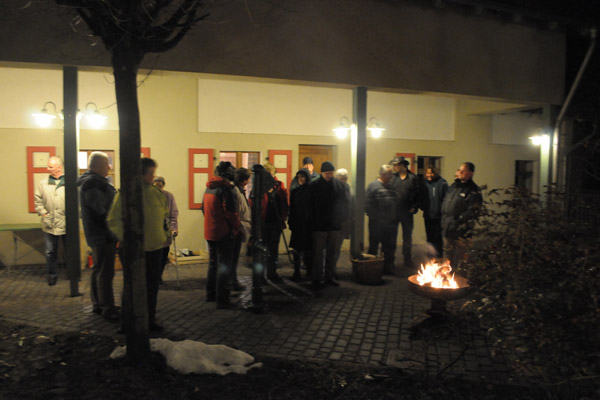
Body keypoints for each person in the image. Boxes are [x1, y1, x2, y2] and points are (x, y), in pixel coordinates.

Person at [107, 157, 169, 331]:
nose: (153, 177)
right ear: (141, 173)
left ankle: (149, 320)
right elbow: (113, 220)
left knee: (152, 287)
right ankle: (128, 323)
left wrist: (164, 235)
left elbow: (164, 216)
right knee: (132, 287)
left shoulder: (156, 193)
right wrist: (129, 240)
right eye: (151, 173)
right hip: (133, 251)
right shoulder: (126, 193)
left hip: (155, 249)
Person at [78, 152, 119, 322]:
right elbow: (100, 211)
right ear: (96, 166)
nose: (109, 167)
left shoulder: (90, 182)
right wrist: (113, 226)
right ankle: (107, 307)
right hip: (103, 234)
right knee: (105, 272)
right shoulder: (93, 184)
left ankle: (99, 303)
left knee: (98, 269)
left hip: (98, 234)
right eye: (106, 164)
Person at [202, 161, 241, 308]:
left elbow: (202, 209)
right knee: (224, 266)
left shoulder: (208, 189)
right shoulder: (226, 189)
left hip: (210, 231)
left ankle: (210, 294)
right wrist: (237, 227)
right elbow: (231, 213)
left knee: (213, 264)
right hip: (224, 232)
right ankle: (223, 300)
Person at [308, 161, 350, 288]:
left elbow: (345, 202)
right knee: (318, 254)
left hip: (334, 225)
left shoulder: (338, 185)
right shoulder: (314, 185)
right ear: (322, 172)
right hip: (319, 225)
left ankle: (329, 277)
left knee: (332, 253)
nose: (329, 175)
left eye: (331, 173)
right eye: (327, 173)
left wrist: (342, 218)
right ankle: (317, 278)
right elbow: (310, 205)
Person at [441, 162, 483, 269]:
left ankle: (461, 280)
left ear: (471, 173)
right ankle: (447, 279)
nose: (459, 172)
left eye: (462, 171)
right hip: (448, 228)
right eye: (459, 170)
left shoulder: (473, 190)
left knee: (462, 257)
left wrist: (459, 219)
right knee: (448, 256)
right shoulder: (454, 186)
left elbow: (474, 210)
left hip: (462, 232)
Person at [34, 156, 66, 286]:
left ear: (59, 167)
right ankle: (52, 276)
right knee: (50, 251)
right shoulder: (43, 183)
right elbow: (38, 200)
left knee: (71, 250)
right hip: (50, 223)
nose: (48, 169)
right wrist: (44, 213)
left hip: (66, 222)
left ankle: (73, 275)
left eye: (51, 167)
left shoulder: (68, 182)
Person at [258, 162, 288, 283]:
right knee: (262, 250)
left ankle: (272, 273)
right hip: (263, 223)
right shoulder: (259, 187)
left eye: (271, 173)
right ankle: (260, 276)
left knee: (273, 250)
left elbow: (284, 203)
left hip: (275, 222)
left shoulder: (279, 186)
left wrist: (283, 217)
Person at [390, 156, 421, 270]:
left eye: (396, 165)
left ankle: (407, 259)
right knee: (392, 237)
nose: (394, 167)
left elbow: (419, 195)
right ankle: (390, 260)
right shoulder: (393, 178)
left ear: (403, 165)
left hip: (407, 213)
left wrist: (414, 207)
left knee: (407, 237)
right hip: (394, 212)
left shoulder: (413, 178)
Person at [366, 165, 398, 273]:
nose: (392, 177)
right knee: (374, 246)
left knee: (389, 247)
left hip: (390, 223)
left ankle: (387, 267)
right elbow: (367, 204)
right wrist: (375, 217)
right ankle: (371, 267)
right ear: (383, 174)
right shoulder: (373, 186)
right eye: (390, 174)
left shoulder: (390, 187)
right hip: (377, 223)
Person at [152, 176, 179, 284]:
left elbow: (173, 214)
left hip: (165, 231)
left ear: (163, 185)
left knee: (163, 256)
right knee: (154, 257)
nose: (159, 188)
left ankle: (158, 275)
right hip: (153, 234)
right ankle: (154, 276)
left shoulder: (168, 196)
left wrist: (174, 228)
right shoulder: (150, 197)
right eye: (156, 185)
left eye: (160, 185)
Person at [288, 168, 312, 281]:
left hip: (308, 225)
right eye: (298, 177)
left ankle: (309, 271)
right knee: (296, 249)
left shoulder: (312, 191)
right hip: (298, 225)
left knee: (308, 250)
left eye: (302, 177)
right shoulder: (295, 192)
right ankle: (296, 271)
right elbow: (292, 209)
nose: (300, 179)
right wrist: (291, 222)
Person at [231, 167, 251, 291]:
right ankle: (232, 282)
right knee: (233, 258)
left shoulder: (239, 190)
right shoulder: (236, 192)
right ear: (244, 180)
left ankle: (232, 281)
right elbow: (238, 212)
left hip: (239, 228)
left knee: (233, 258)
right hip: (237, 228)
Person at [422, 167, 448, 258]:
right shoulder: (424, 183)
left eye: (431, 173)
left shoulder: (442, 183)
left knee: (438, 238)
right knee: (429, 238)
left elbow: (446, 198)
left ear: (435, 173)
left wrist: (443, 211)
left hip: (439, 216)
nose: (429, 175)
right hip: (428, 215)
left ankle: (439, 257)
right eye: (427, 173)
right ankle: (430, 257)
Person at [333, 168, 353, 276]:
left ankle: (333, 268)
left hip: (344, 222)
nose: (343, 181)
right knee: (331, 247)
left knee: (337, 247)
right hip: (334, 223)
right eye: (341, 179)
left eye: (345, 179)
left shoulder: (348, 188)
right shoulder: (333, 188)